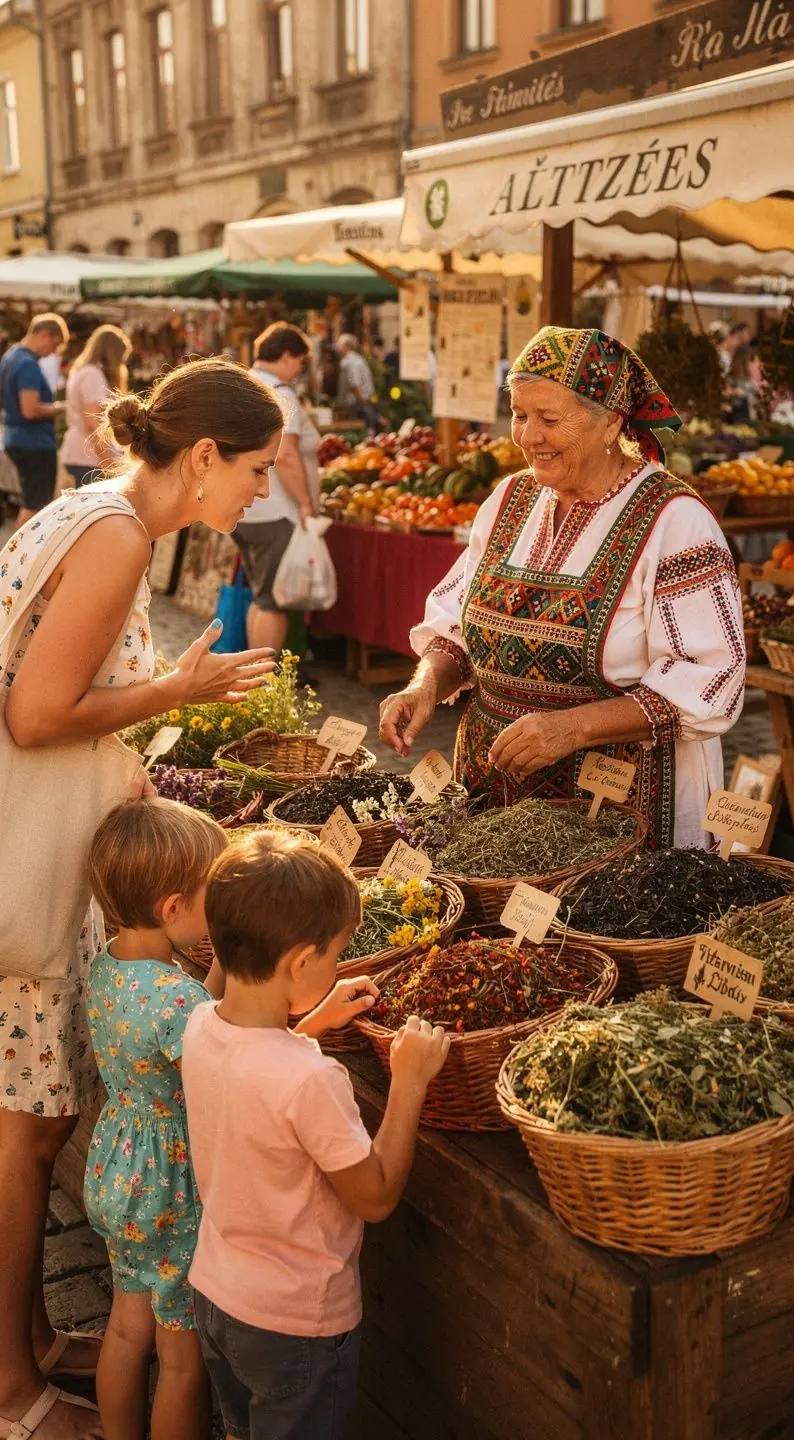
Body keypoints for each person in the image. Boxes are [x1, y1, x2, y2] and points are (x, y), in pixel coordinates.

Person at [0, 356, 284, 1440]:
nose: (262, 489)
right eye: (255, 468)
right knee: (30, 1134)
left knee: (32, 1128)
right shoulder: (119, 535)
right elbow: (35, 716)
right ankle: (12, 1394)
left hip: (38, 842)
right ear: (204, 455)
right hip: (31, 861)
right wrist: (177, 689)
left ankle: (31, 1341)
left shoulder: (91, 510)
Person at [380, 326, 747, 851]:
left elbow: (710, 679)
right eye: (519, 415)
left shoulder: (676, 521)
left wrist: (573, 728)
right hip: (494, 797)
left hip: (622, 807)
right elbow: (457, 624)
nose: (528, 436)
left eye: (550, 420)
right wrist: (425, 686)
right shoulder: (508, 499)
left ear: (611, 422)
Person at [183, 830, 450, 1440]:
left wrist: (313, 1019)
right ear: (300, 963)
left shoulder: (199, 1024)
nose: (336, 966)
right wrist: (409, 1082)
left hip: (217, 1298)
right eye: (334, 954)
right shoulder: (312, 1080)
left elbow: (255, 1074)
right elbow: (375, 1196)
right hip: (294, 1327)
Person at [85, 799, 228, 1440]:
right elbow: (219, 1054)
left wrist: (218, 967)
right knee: (181, 1358)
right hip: (170, 1187)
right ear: (173, 909)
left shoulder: (109, 965)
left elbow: (188, 1022)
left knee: (125, 1327)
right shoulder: (178, 999)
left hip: (120, 1168)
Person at [233, 321, 319, 655]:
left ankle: (256, 673)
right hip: (277, 511)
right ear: (285, 356)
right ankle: (265, 679)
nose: (298, 370)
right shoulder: (280, 393)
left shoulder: (243, 384)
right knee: (273, 603)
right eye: (299, 362)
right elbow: (285, 455)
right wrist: (306, 504)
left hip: (245, 507)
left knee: (261, 597)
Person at [0, 313, 68, 526]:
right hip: (34, 442)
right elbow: (30, 410)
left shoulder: (10, 356)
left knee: (31, 502)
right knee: (36, 507)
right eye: (55, 345)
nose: (53, 352)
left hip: (16, 437)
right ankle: (19, 548)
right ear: (44, 335)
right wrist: (62, 407)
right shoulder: (27, 363)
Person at [60, 324, 132, 488]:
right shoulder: (93, 375)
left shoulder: (82, 370)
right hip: (88, 458)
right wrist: (109, 462)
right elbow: (93, 423)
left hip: (80, 453)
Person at [336, 332, 379, 431]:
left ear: (346, 346)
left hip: (356, 404)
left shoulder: (350, 362)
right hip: (361, 402)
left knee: (361, 431)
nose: (338, 348)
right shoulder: (358, 359)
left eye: (339, 345)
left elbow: (354, 385)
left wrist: (364, 402)